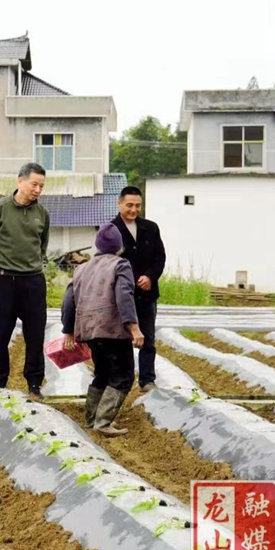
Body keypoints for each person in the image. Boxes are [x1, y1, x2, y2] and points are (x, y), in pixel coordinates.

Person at [61, 223, 145, 436]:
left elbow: (69, 300)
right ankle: (104, 421)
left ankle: (90, 418)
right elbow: (124, 295)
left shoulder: (81, 268)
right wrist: (134, 328)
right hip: (112, 329)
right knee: (123, 376)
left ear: (97, 246)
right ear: (118, 246)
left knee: (102, 372)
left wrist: (69, 329)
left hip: (88, 329)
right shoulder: (120, 265)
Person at [0, 162, 50, 400]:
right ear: (20, 181)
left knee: (35, 335)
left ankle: (34, 384)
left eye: (41, 186)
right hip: (4, 281)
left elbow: (42, 245)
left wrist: (31, 266)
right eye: (34, 184)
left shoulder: (42, 213)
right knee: (1, 333)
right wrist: (1, 265)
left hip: (33, 281)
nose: (38, 190)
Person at [110, 186, 165, 393]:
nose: (134, 209)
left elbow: (160, 257)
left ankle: (147, 379)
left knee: (148, 337)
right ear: (120, 203)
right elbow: (110, 261)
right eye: (129, 205)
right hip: (122, 295)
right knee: (121, 339)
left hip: (147, 294)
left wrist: (150, 276)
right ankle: (121, 380)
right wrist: (132, 280)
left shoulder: (150, 228)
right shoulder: (111, 229)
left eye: (138, 205)